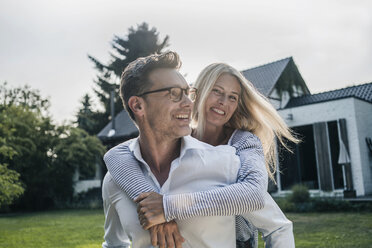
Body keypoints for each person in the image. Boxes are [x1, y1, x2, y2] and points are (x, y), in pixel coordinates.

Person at [104, 56, 298, 247]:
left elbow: (254, 195)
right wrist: (149, 203)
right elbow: (116, 154)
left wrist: (167, 207)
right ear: (200, 93)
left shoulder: (238, 149)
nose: (223, 102)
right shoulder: (170, 141)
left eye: (232, 97)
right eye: (217, 91)